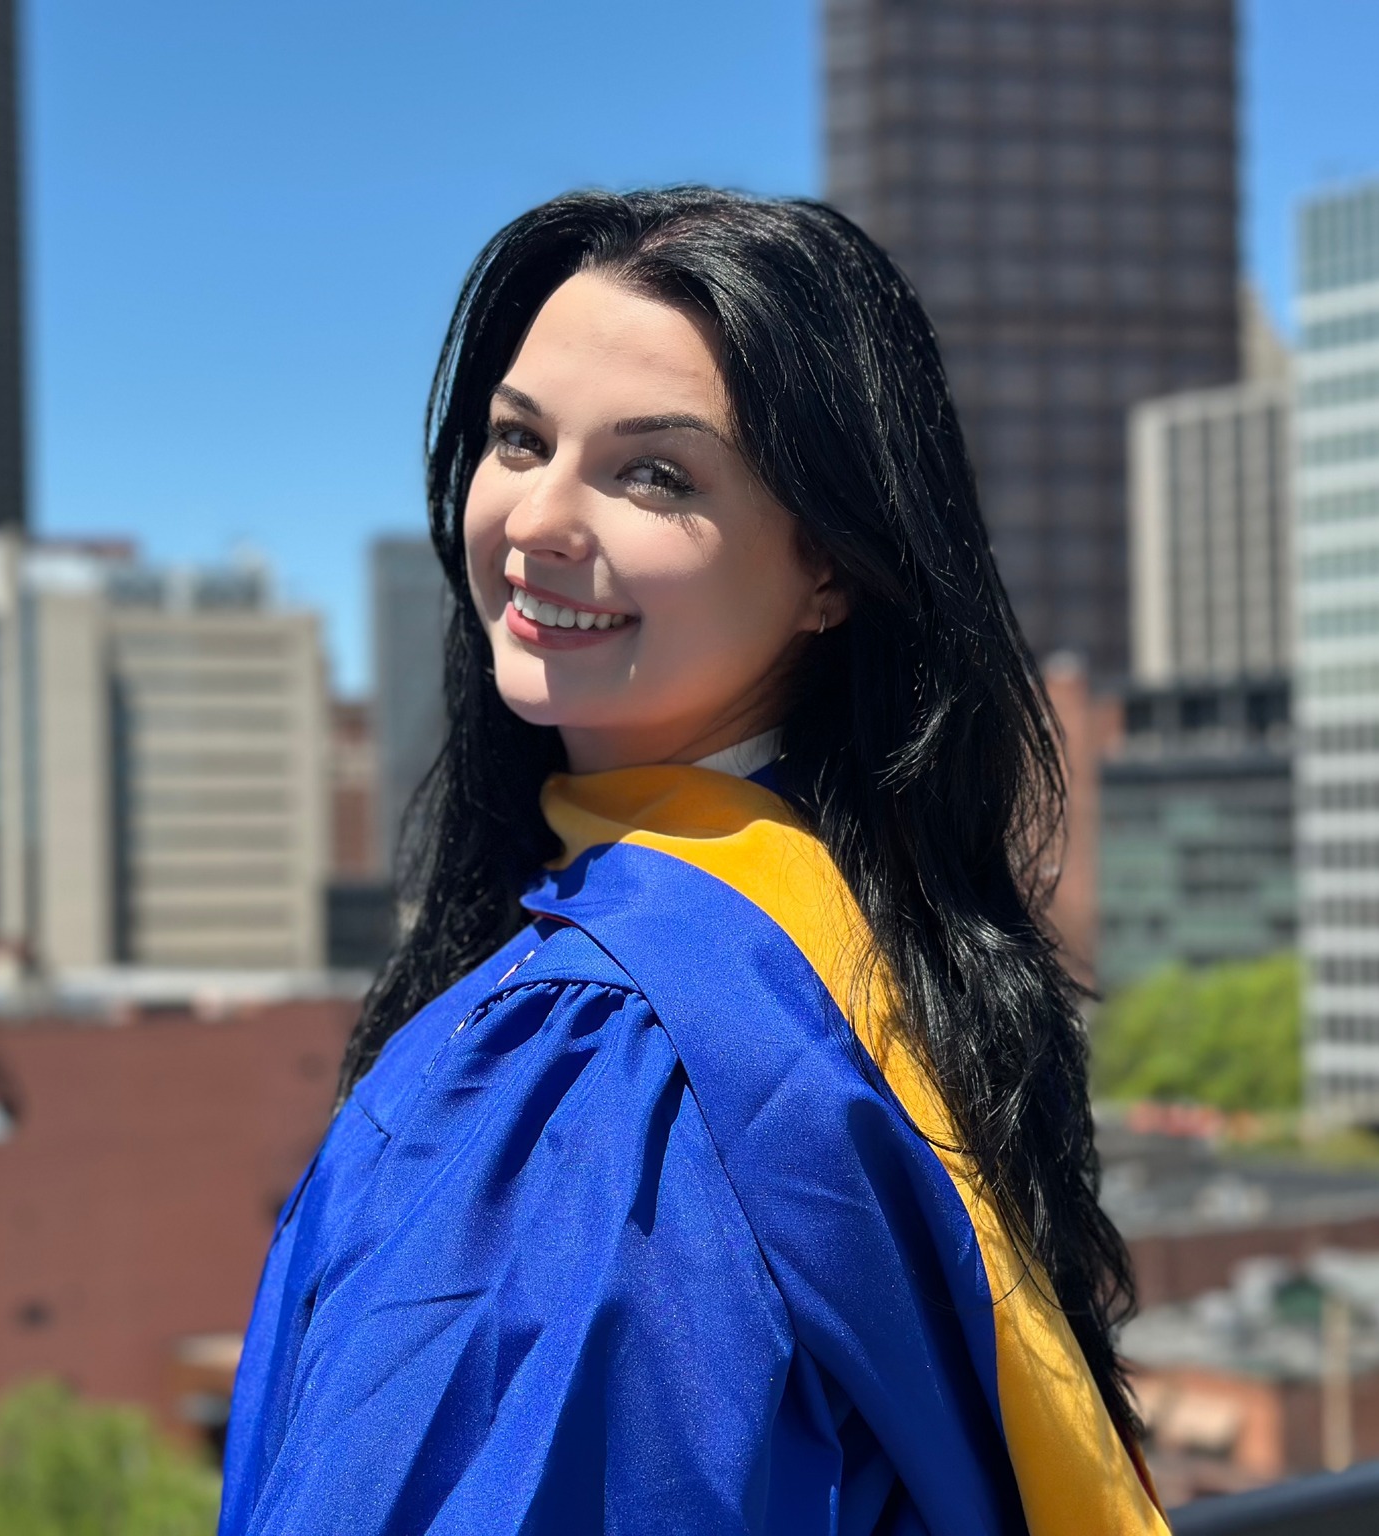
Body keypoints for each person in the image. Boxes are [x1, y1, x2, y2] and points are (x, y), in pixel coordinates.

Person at [220, 188, 1166, 1535]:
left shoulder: (598, 1059)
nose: (541, 517)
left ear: (830, 565)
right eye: (519, 440)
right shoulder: (871, 930)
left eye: (654, 473)